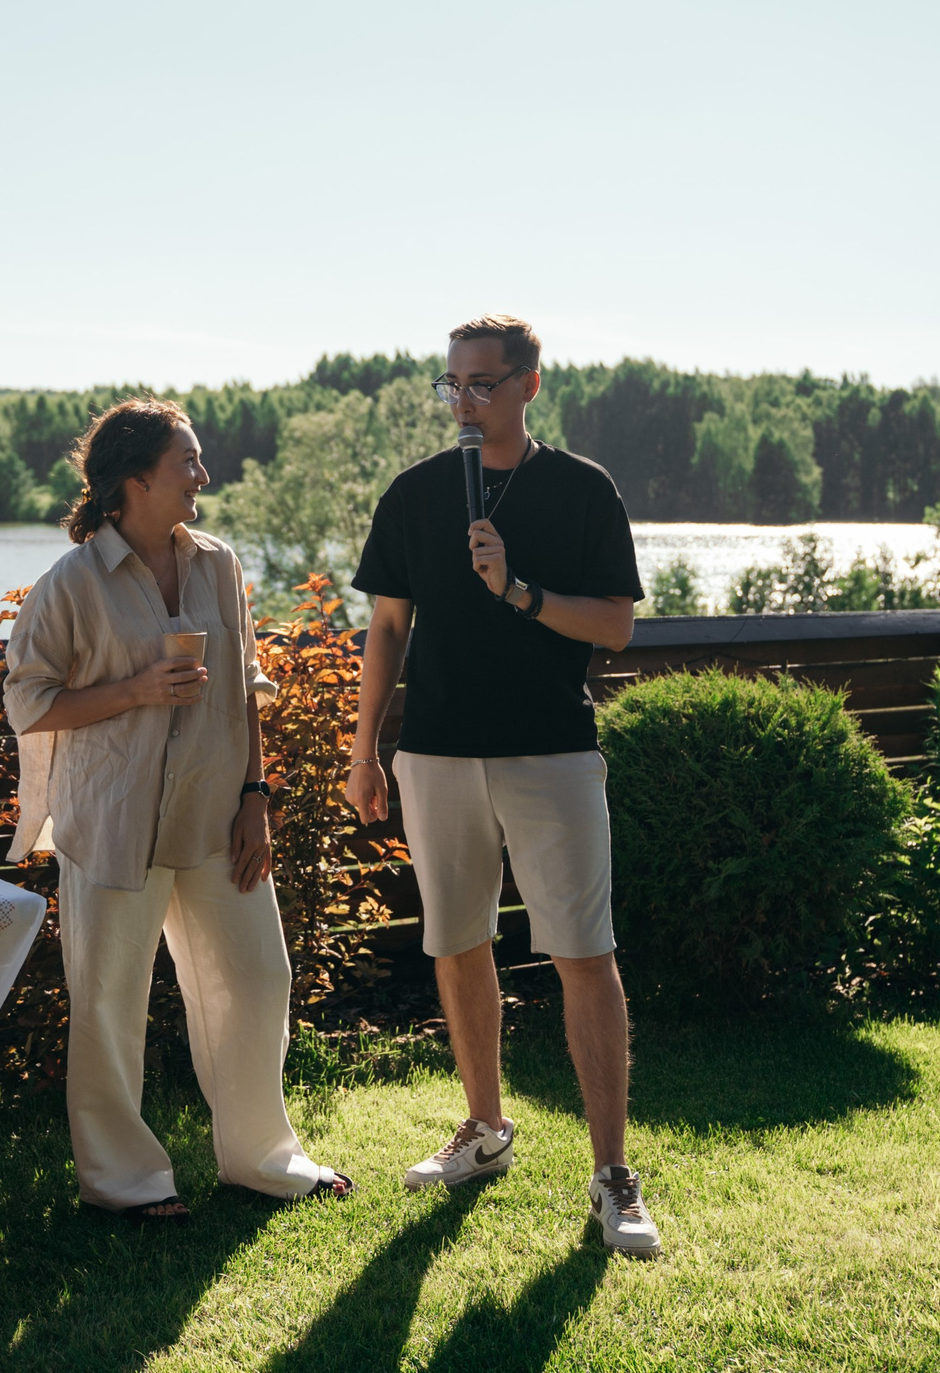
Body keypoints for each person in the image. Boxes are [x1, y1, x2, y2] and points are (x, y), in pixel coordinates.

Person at [344, 314, 661, 1256]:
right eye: (453, 384)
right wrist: (365, 750)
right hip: (436, 753)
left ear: (529, 383)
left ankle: (612, 1175)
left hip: (549, 752)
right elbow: (388, 628)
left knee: (584, 952)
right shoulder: (415, 493)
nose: (465, 401)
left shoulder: (582, 489)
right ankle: (484, 1129)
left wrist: (521, 591)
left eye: (482, 383)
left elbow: (616, 626)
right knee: (457, 942)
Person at [4, 397, 350, 1222]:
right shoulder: (71, 583)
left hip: (214, 816)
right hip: (112, 823)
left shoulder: (218, 564)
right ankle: (125, 1182)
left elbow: (246, 688)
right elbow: (28, 703)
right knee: (108, 1004)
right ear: (136, 479)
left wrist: (256, 796)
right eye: (187, 461)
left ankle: (262, 1159)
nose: (204, 475)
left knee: (259, 978)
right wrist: (134, 690)